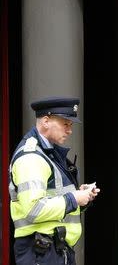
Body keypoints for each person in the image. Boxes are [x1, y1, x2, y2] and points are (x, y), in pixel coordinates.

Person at [9, 97, 100, 265]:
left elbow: (54, 196)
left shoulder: (48, 153)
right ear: (45, 121)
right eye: (65, 124)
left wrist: (81, 196)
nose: (70, 130)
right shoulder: (32, 157)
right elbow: (34, 209)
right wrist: (74, 199)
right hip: (41, 251)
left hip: (53, 250)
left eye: (71, 125)